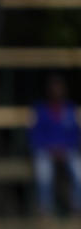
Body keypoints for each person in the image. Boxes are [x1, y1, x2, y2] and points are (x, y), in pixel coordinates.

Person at [28, 73, 81, 215]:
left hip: (67, 150)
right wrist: (50, 149)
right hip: (46, 151)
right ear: (48, 91)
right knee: (43, 171)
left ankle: (77, 206)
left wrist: (65, 149)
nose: (57, 92)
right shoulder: (40, 109)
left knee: (79, 169)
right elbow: (35, 135)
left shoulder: (70, 109)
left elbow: (76, 134)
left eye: (59, 88)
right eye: (54, 89)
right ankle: (45, 208)